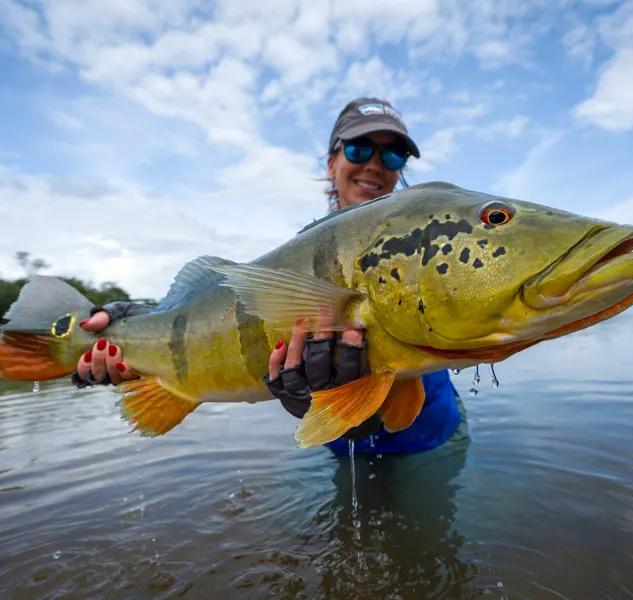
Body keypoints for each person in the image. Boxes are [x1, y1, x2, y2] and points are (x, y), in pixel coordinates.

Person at [74, 98, 466, 456]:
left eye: (394, 154)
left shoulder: (429, 246)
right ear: (331, 162)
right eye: (359, 149)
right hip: (345, 453)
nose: (375, 164)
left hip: (435, 442)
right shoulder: (299, 258)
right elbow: (225, 314)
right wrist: (132, 322)